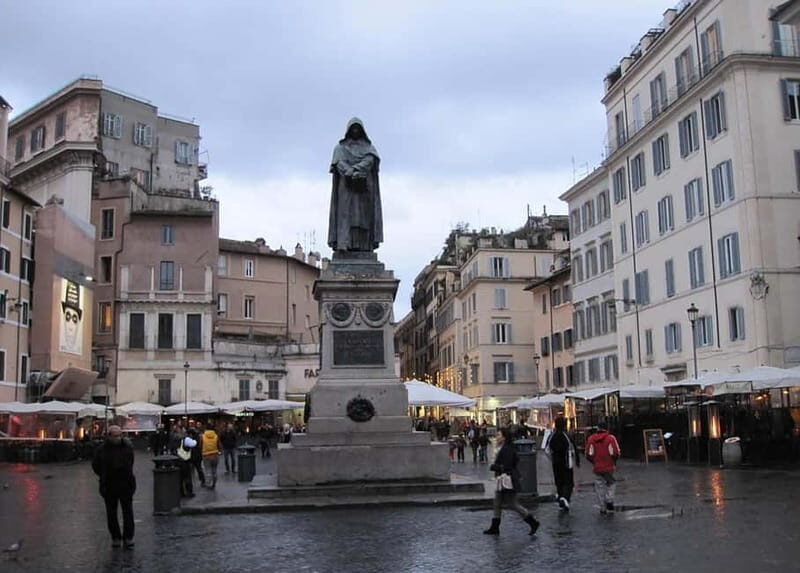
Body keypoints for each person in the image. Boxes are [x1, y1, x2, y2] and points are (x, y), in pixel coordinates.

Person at [328, 118, 383, 253]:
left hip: (364, 186)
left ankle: (364, 245)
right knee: (346, 215)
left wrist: (356, 169)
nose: (355, 131)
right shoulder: (340, 148)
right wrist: (348, 172)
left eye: (358, 128)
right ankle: (344, 244)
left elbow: (370, 160)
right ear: (348, 130)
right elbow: (338, 162)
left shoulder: (369, 148)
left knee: (363, 216)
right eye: (353, 128)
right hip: (346, 186)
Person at [483, 427, 540, 536]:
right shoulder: (503, 447)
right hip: (502, 479)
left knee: (513, 504)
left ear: (504, 437)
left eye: (498, 435)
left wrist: (495, 467)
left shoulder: (507, 449)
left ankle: (533, 522)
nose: (496, 437)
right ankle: (495, 527)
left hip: (508, 479)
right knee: (497, 503)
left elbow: (507, 465)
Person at [92, 425, 136, 549]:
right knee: (111, 513)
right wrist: (103, 475)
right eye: (115, 436)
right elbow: (95, 465)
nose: (118, 438)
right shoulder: (101, 450)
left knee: (128, 512)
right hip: (109, 484)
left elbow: (130, 462)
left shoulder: (127, 448)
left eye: (119, 435)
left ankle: (128, 537)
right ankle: (116, 537)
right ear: (109, 436)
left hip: (125, 483)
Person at [585, 421, 621, 514]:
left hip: (597, 467)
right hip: (609, 467)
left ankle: (602, 507)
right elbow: (616, 452)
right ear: (606, 428)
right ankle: (609, 499)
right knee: (611, 483)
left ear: (598, 428)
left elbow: (588, 454)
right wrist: (614, 462)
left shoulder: (591, 439)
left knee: (599, 486)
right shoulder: (611, 438)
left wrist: (594, 462)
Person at [545, 416, 580, 511]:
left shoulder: (552, 436)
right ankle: (564, 497)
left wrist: (552, 458)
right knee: (568, 482)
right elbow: (573, 448)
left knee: (559, 481)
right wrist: (576, 460)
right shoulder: (566, 436)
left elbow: (547, 449)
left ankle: (561, 497)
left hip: (555, 462)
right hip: (566, 462)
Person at [177, 432, 198, 497]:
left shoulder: (178, 440)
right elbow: (194, 444)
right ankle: (189, 492)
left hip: (179, 460)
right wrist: (194, 439)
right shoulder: (186, 440)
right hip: (185, 461)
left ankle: (181, 493)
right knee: (187, 477)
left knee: (180, 478)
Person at [201, 424, 221, 489]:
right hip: (215, 455)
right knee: (214, 470)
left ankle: (208, 484)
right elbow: (219, 445)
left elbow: (200, 445)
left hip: (206, 455)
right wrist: (219, 451)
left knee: (208, 470)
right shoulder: (216, 436)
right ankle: (214, 482)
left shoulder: (202, 436)